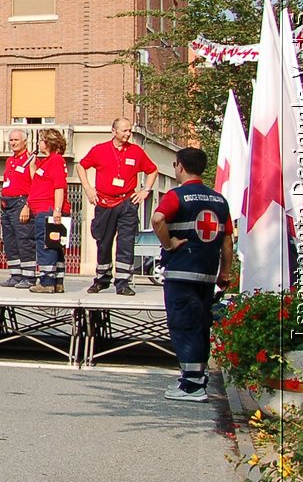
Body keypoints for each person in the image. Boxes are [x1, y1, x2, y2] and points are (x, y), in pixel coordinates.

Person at [153, 147, 232, 401]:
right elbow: (227, 241)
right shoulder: (220, 200)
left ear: (179, 166)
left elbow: (157, 220)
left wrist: (169, 244)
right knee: (200, 325)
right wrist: (225, 274)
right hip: (207, 274)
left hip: (181, 272)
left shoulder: (177, 195)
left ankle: (192, 385)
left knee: (183, 325)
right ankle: (196, 377)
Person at [79, 119, 158, 296]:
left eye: (129, 130)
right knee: (104, 242)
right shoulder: (100, 150)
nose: (128, 134)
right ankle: (102, 279)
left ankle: (123, 282)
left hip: (127, 203)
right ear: (113, 131)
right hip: (105, 203)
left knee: (126, 243)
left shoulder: (136, 151)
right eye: (124, 131)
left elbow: (152, 170)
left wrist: (146, 190)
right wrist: (88, 189)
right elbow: (81, 166)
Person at [26, 127, 70, 293]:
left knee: (47, 245)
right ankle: (57, 281)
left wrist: (57, 210)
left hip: (49, 210)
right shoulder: (47, 162)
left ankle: (46, 281)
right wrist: (32, 166)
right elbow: (38, 182)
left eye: (41, 140)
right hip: (46, 209)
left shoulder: (56, 160)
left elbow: (59, 186)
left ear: (48, 143)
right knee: (55, 245)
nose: (38, 143)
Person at [0, 128, 37, 288]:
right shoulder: (10, 161)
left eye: (16, 140)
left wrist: (28, 205)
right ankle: (15, 275)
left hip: (22, 203)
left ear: (25, 142)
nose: (13, 143)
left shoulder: (30, 159)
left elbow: (35, 184)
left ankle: (29, 277)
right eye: (11, 140)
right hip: (7, 204)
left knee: (24, 240)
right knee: (10, 241)